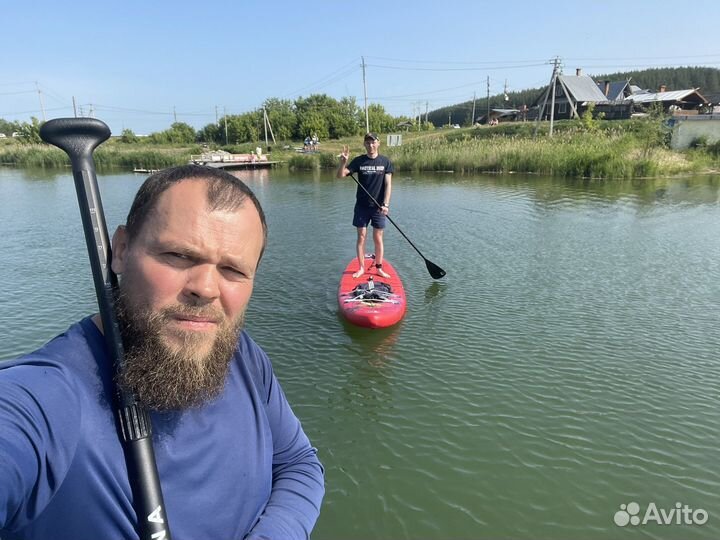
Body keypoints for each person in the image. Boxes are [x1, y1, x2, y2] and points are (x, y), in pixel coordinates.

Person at [0, 165, 325, 540]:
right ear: (120, 250)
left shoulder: (243, 356)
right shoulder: (45, 400)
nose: (205, 288)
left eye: (233, 270)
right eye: (177, 255)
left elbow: (299, 464)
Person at [336, 132, 394, 279]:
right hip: (362, 206)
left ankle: (379, 268)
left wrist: (386, 204)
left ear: (378, 143)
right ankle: (361, 267)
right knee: (361, 237)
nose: (370, 145)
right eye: (367, 142)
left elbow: (388, 185)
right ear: (364, 144)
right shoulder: (359, 161)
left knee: (378, 238)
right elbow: (340, 175)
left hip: (378, 208)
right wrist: (343, 162)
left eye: (373, 142)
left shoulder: (385, 162)